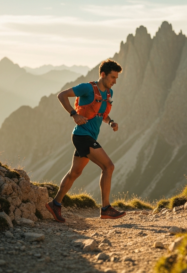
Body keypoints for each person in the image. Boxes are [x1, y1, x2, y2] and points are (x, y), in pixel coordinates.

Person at [45, 59, 126, 222]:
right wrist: (74, 114)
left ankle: (55, 204)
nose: (115, 81)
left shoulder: (109, 93)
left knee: (75, 173)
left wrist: (111, 122)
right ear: (103, 75)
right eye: (112, 77)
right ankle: (105, 209)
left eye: (116, 78)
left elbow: (101, 114)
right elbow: (62, 95)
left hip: (89, 136)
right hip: (82, 136)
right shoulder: (87, 88)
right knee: (108, 166)